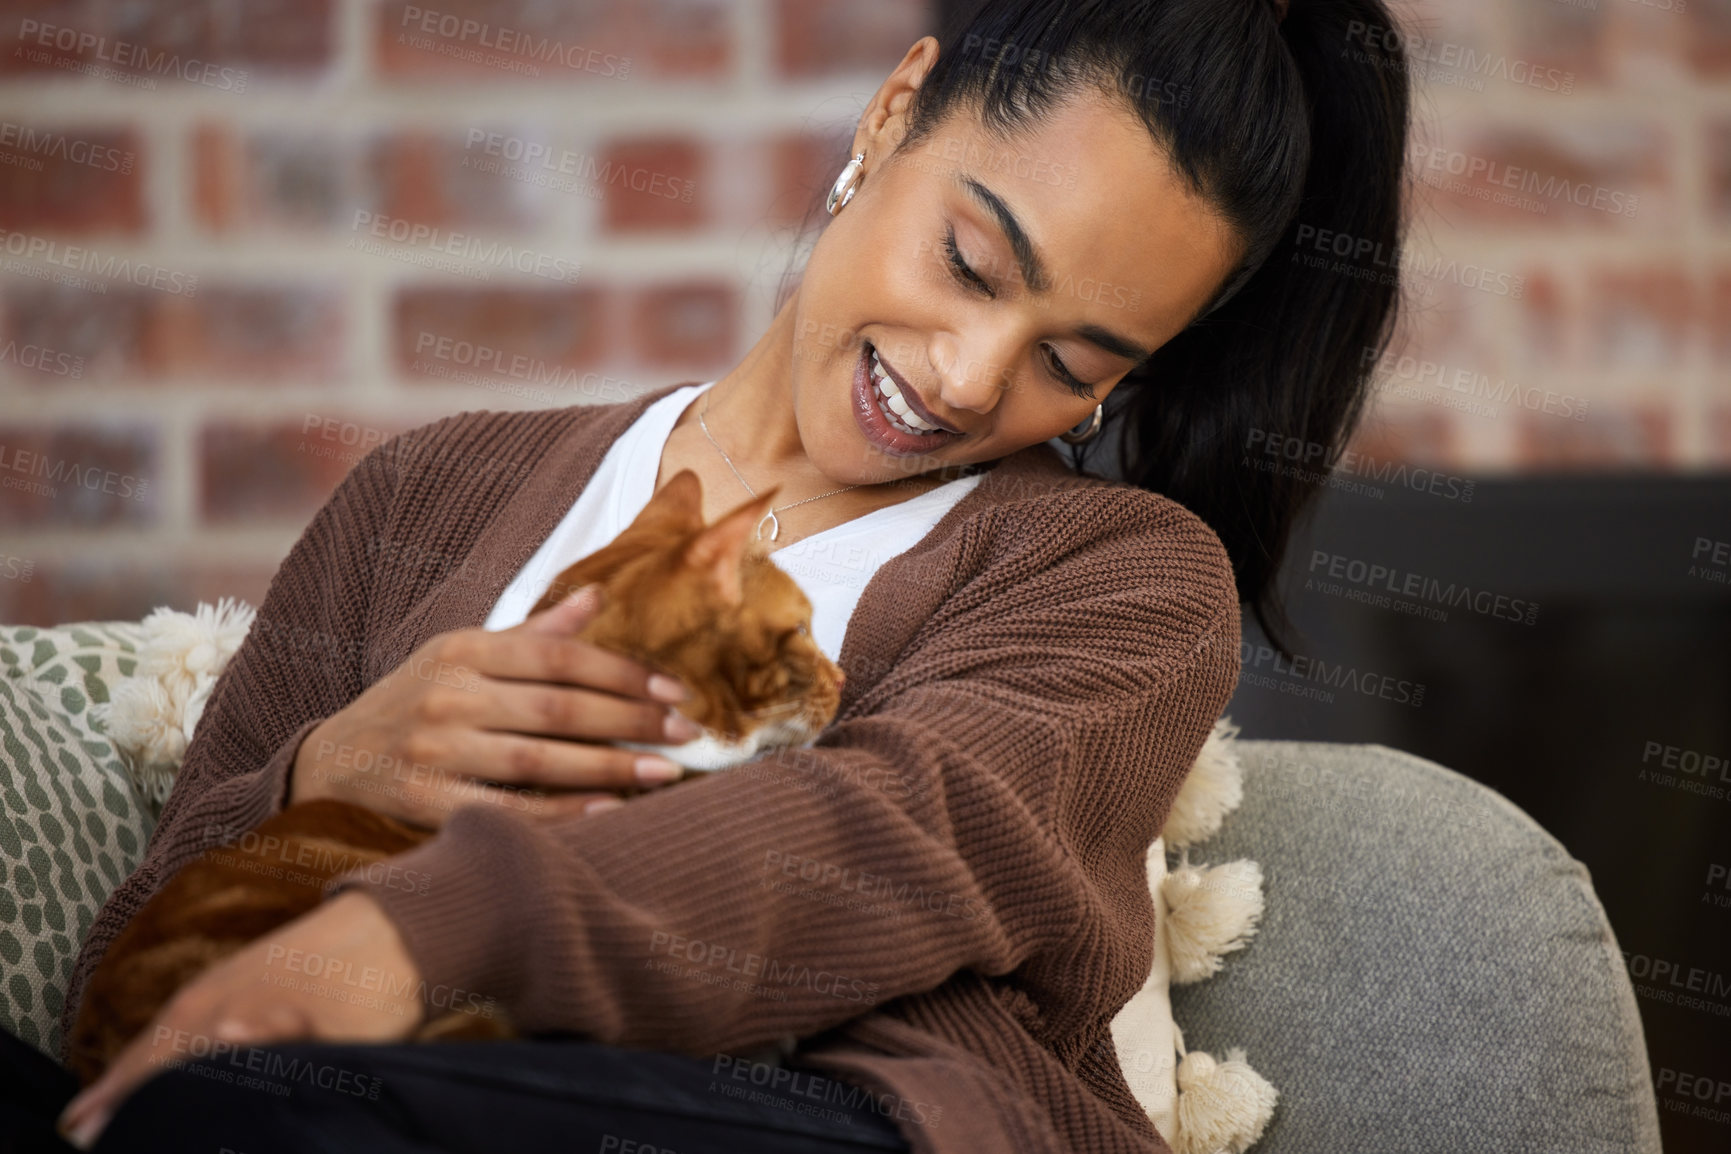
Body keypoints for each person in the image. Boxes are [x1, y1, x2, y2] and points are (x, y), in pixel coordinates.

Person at [17, 0, 1410, 1149]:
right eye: (973, 262)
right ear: (893, 110)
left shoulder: (1125, 581)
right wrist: (334, 767)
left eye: (1074, 364)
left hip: (819, 1117)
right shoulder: (424, 493)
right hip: (320, 1098)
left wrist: (424, 933)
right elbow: (140, 980)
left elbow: (882, 840)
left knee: (246, 1117)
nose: (970, 377)